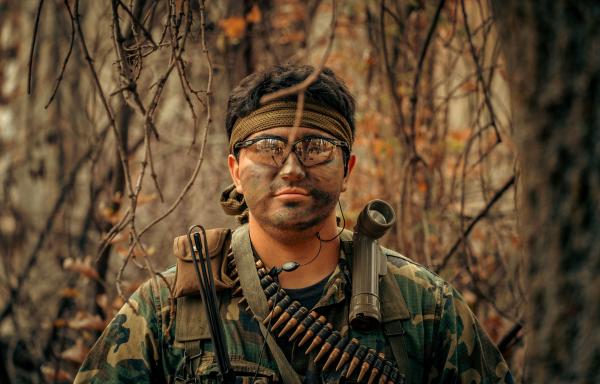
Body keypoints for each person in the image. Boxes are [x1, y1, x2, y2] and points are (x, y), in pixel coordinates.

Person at [74, 65, 513, 383]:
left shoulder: (424, 305)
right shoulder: (166, 310)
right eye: (268, 147)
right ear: (235, 171)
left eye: (315, 147)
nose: (291, 169)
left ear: (347, 169)